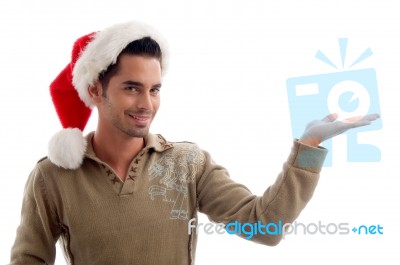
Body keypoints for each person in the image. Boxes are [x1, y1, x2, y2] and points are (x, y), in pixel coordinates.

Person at [9, 20, 380, 265]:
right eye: (131, 88)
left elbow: (265, 227)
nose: (146, 104)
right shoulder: (53, 178)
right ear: (95, 89)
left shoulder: (187, 163)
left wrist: (309, 147)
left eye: (155, 89)